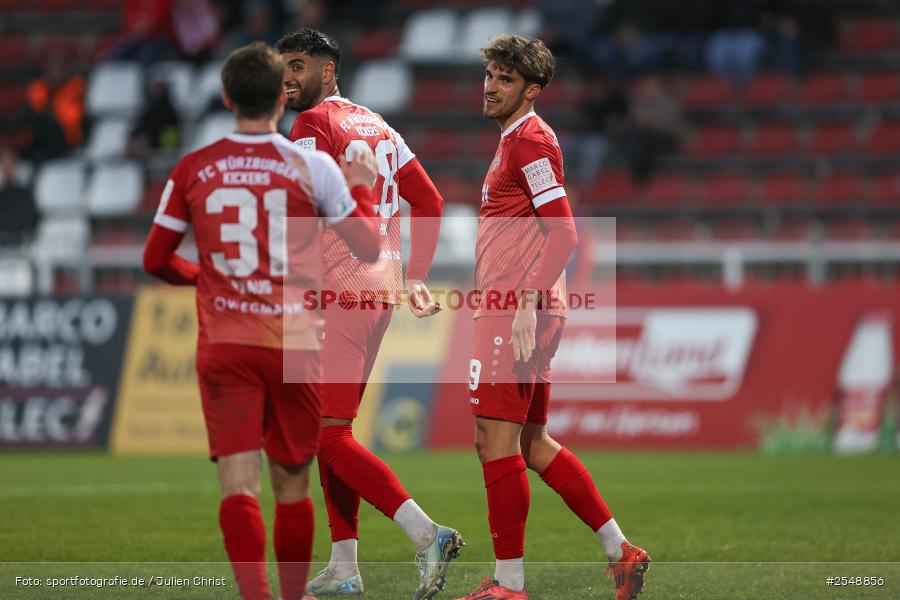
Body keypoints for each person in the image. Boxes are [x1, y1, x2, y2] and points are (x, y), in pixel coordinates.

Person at [142, 42, 381, 600]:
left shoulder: (193, 167)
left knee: (238, 483)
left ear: (226, 98)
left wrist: (203, 278)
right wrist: (363, 185)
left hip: (225, 341)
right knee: (292, 484)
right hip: (292, 340)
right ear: (281, 96)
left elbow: (154, 260)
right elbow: (367, 247)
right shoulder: (313, 165)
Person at [456, 35, 651, 600]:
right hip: (525, 306)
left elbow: (565, 231)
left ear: (532, 90)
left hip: (517, 309)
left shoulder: (530, 142)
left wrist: (523, 303)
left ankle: (508, 586)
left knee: (493, 440)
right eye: (489, 74)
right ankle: (622, 551)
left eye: (505, 79)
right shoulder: (514, 141)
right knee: (531, 442)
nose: (490, 86)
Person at [276, 28, 463, 599]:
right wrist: (418, 277)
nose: (289, 77)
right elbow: (428, 200)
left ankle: (425, 532)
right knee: (336, 430)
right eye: (284, 66)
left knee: (322, 437)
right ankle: (344, 566)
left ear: (328, 71)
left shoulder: (310, 127)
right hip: (380, 291)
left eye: (300, 65)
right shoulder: (379, 125)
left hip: (336, 290)